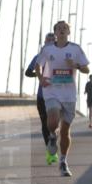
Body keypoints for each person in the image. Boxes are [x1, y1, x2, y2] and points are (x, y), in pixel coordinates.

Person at [35, 21, 89, 177]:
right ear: (55, 33)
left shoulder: (76, 49)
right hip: (51, 91)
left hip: (69, 94)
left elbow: (86, 69)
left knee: (65, 131)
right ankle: (52, 136)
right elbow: (38, 66)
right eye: (59, 28)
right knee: (52, 119)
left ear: (69, 32)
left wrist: (76, 65)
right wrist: (41, 79)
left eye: (65, 28)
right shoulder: (47, 49)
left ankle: (63, 161)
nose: (62, 30)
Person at [26, 32, 57, 165]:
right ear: (44, 43)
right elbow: (27, 72)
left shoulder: (59, 57)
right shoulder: (38, 57)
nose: (50, 41)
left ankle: (53, 139)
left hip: (57, 95)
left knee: (54, 124)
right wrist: (40, 76)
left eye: (52, 40)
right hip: (42, 95)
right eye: (48, 40)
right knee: (45, 123)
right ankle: (49, 150)